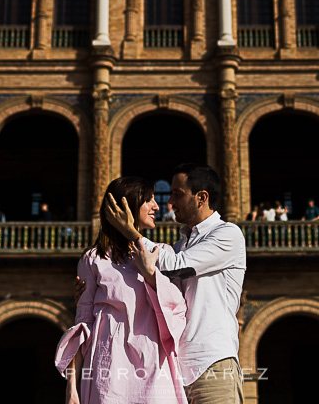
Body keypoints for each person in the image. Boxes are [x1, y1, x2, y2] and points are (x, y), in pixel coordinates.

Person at [106, 163, 246, 403]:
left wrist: (131, 232)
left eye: (178, 194)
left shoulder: (227, 234)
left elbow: (176, 265)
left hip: (212, 363)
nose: (169, 202)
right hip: (176, 370)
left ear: (202, 197)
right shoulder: (181, 245)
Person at [56, 177, 187, 404]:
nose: (157, 206)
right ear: (127, 206)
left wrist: (149, 272)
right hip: (108, 364)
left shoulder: (160, 253)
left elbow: (177, 308)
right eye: (149, 200)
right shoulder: (94, 259)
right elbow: (83, 324)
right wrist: (72, 388)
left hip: (153, 360)